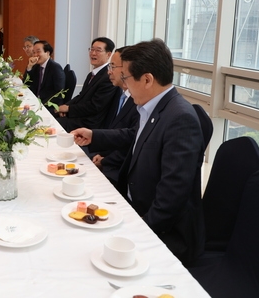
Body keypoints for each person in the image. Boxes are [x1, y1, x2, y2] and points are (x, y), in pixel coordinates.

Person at [71, 39, 205, 266]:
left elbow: (171, 199)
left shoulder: (180, 119)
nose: (124, 84)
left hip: (162, 232)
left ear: (147, 79)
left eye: (126, 78)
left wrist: (136, 234)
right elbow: (135, 136)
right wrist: (95, 135)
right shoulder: (153, 105)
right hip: (134, 203)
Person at [87, 47, 139, 187]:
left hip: (121, 169)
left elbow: (132, 140)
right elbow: (112, 129)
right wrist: (101, 154)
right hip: (107, 154)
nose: (109, 71)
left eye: (113, 66)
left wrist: (105, 160)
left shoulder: (139, 102)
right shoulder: (119, 94)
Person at [56, 37, 120, 131]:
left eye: (98, 50)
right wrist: (64, 107)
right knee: (51, 115)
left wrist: (69, 109)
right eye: (92, 49)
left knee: (53, 124)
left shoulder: (108, 78)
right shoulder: (92, 74)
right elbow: (81, 96)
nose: (93, 53)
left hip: (90, 123)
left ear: (108, 54)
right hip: (81, 116)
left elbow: (94, 106)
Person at [23, 40, 65, 112]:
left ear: (47, 53)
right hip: (35, 101)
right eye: (34, 52)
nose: (35, 55)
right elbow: (26, 83)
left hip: (49, 105)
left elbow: (59, 93)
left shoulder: (55, 68)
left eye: (38, 51)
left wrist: (41, 105)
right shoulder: (36, 66)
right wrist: (29, 67)